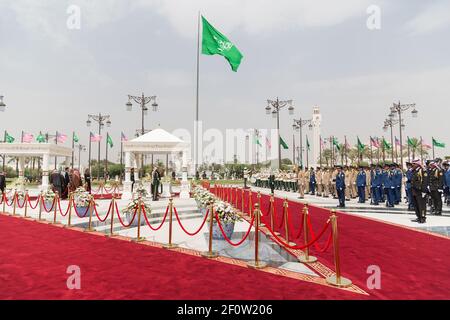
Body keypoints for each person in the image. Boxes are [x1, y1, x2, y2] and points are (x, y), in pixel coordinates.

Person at [410, 159, 428, 223]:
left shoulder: (422, 170)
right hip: (415, 190)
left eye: (414, 164)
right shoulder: (415, 171)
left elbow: (425, 181)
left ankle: (423, 218)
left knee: (422, 205)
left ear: (417, 164)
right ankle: (418, 216)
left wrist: (424, 191)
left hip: (420, 190)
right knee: (416, 204)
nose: (412, 165)